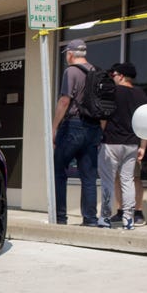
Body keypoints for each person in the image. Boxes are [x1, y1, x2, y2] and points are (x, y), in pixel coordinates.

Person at [52, 38, 102, 226]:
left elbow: (65, 101)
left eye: (66, 54)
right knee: (89, 176)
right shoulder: (96, 71)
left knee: (59, 171)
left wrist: (54, 127)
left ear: (71, 54)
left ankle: (59, 217)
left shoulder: (71, 71)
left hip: (73, 125)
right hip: (93, 127)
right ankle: (90, 219)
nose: (66, 56)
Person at [97, 63, 147, 231]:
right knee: (128, 181)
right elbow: (146, 123)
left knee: (107, 181)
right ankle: (128, 219)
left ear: (120, 76)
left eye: (114, 75)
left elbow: (104, 117)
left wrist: (99, 136)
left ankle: (105, 218)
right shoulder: (141, 94)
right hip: (132, 144)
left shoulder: (113, 92)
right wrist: (143, 146)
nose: (112, 77)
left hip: (111, 142)